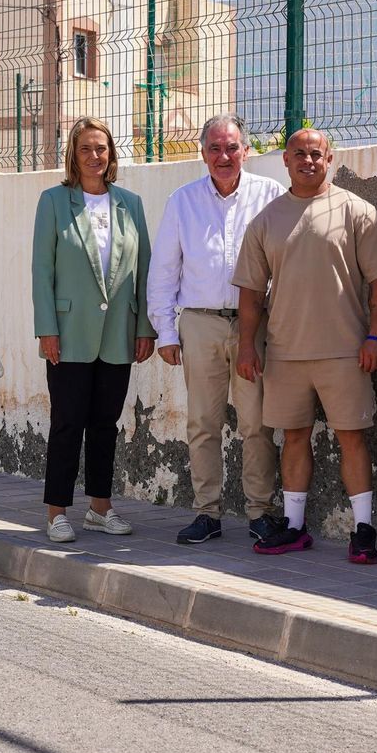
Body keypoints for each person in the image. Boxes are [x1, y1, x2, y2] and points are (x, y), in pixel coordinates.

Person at [233, 127, 377, 564]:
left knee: (352, 437)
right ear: (285, 161)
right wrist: (247, 346)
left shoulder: (356, 211)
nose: (307, 161)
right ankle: (294, 527)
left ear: (329, 160)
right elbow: (250, 293)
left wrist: (376, 335)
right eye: (299, 154)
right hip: (285, 353)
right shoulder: (266, 220)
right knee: (293, 438)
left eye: (316, 154)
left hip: (346, 351)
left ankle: (363, 530)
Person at [147, 113, 283, 545]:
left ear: (247, 150)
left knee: (257, 423)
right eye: (215, 148)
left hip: (254, 325)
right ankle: (207, 513)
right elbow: (164, 270)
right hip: (200, 323)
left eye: (232, 147)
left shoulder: (270, 195)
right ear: (203, 153)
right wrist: (166, 332)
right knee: (202, 423)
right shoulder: (182, 201)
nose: (224, 156)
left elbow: (283, 263)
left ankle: (260, 512)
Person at [31, 116, 156, 543]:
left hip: (119, 333)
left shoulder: (130, 204)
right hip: (68, 333)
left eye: (101, 148)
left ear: (111, 154)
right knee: (67, 423)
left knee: (106, 424)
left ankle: (100, 508)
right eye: (85, 148)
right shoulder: (53, 201)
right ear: (73, 154)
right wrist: (47, 329)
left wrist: (145, 328)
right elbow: (42, 271)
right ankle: (57, 512)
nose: (94, 156)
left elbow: (144, 270)